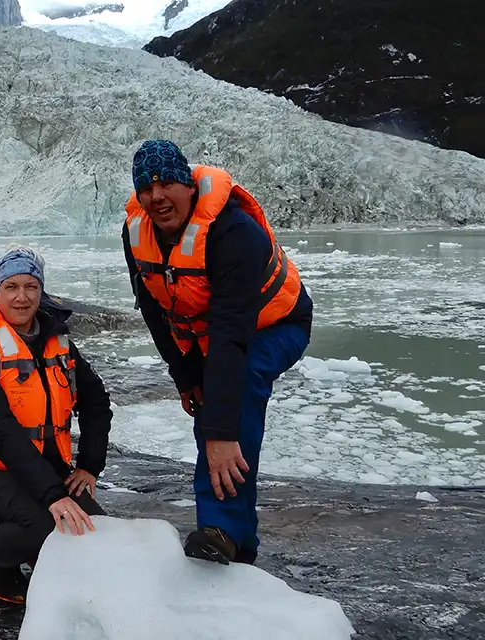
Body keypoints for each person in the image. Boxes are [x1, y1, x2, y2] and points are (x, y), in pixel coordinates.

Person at [121, 139, 314, 566]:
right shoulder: (136, 233)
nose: (156, 196)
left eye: (167, 183)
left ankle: (220, 528)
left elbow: (232, 333)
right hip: (213, 337)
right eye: (146, 188)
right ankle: (239, 543)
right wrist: (185, 376)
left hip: (275, 325)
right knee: (214, 403)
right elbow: (154, 308)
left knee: (232, 397)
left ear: (189, 185)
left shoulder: (233, 232)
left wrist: (221, 435)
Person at [0, 245, 113, 604]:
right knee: (50, 524)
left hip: (47, 469)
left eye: (31, 287)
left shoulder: (56, 339)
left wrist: (89, 465)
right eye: (11, 287)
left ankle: (42, 558)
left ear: (41, 290)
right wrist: (53, 496)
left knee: (96, 532)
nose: (22, 298)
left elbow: (96, 400)